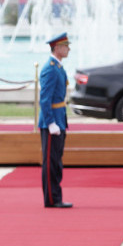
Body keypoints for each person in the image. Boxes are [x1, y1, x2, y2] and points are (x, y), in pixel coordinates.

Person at [38, 33, 71, 208]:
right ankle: (52, 198)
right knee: (51, 162)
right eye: (65, 46)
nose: (68, 49)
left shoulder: (58, 67)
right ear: (57, 48)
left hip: (59, 119)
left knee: (56, 161)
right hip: (52, 122)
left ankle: (55, 196)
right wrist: (51, 123)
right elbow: (45, 99)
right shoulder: (50, 69)